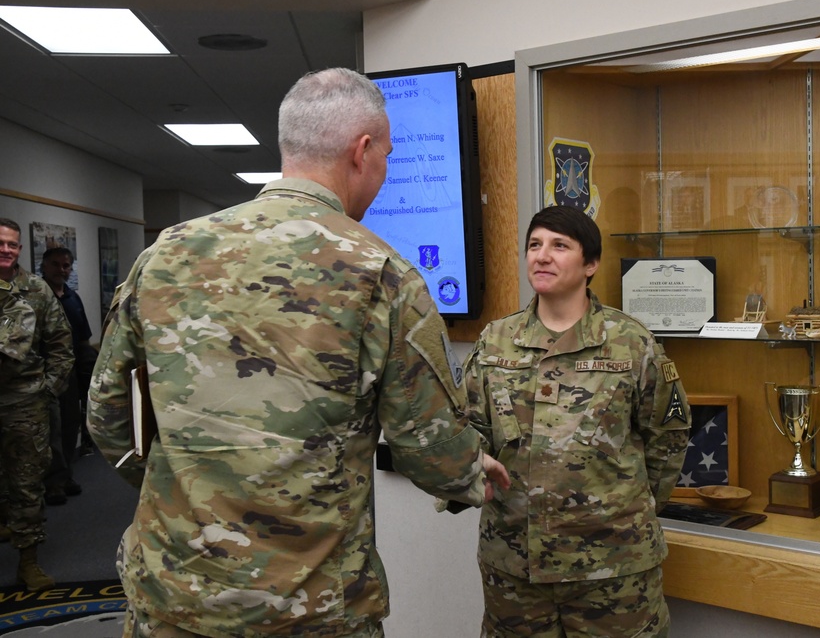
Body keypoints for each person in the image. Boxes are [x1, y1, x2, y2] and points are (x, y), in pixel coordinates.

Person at [88, 67, 509, 638]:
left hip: (173, 598)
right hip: (310, 611)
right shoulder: (383, 274)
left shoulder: (165, 254)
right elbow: (428, 447)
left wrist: (192, 482)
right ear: (362, 151)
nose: (384, 172)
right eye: (387, 155)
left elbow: (109, 417)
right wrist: (471, 475)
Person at [464, 205, 691, 637]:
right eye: (534, 245)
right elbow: (471, 428)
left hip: (613, 568)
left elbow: (668, 440)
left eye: (559, 246)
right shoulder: (496, 340)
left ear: (590, 265)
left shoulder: (630, 342)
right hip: (515, 567)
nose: (542, 256)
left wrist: (628, 510)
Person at [0, 218, 74, 592]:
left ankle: (28, 561)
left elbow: (62, 345)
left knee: (28, 482)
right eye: (1, 243)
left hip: (24, 402)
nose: (6, 250)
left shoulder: (36, 290)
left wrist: (47, 390)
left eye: (12, 244)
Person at [40, 247, 93, 504]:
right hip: (44, 372)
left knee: (71, 423)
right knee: (52, 427)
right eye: (55, 265)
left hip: (70, 371)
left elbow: (83, 338)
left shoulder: (73, 298)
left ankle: (66, 475)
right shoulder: (35, 297)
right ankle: (53, 482)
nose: (61, 270)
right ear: (44, 266)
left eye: (66, 265)